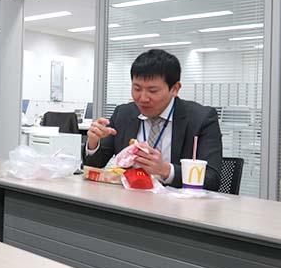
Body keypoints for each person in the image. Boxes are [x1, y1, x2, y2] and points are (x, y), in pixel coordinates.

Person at [83, 49, 222, 190]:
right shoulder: (123, 114)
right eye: (137, 89)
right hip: (129, 198)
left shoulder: (201, 119)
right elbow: (94, 165)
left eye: (153, 91)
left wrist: (166, 170)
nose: (143, 98)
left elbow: (212, 179)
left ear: (175, 89)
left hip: (176, 201)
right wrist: (93, 143)